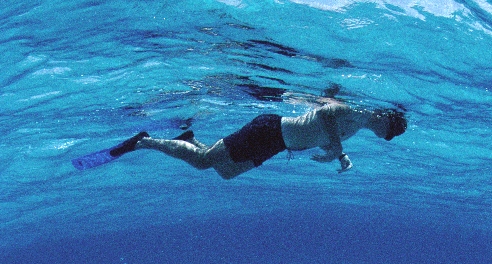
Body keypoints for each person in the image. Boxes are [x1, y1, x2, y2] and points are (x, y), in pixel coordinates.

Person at [114, 98, 407, 179]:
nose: (387, 138)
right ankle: (145, 140)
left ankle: (190, 139)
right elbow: (327, 114)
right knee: (205, 163)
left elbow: (322, 132)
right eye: (391, 132)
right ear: (386, 119)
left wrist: (335, 153)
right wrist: (338, 150)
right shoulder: (356, 111)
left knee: (226, 173)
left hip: (277, 144)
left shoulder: (356, 126)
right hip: (269, 130)